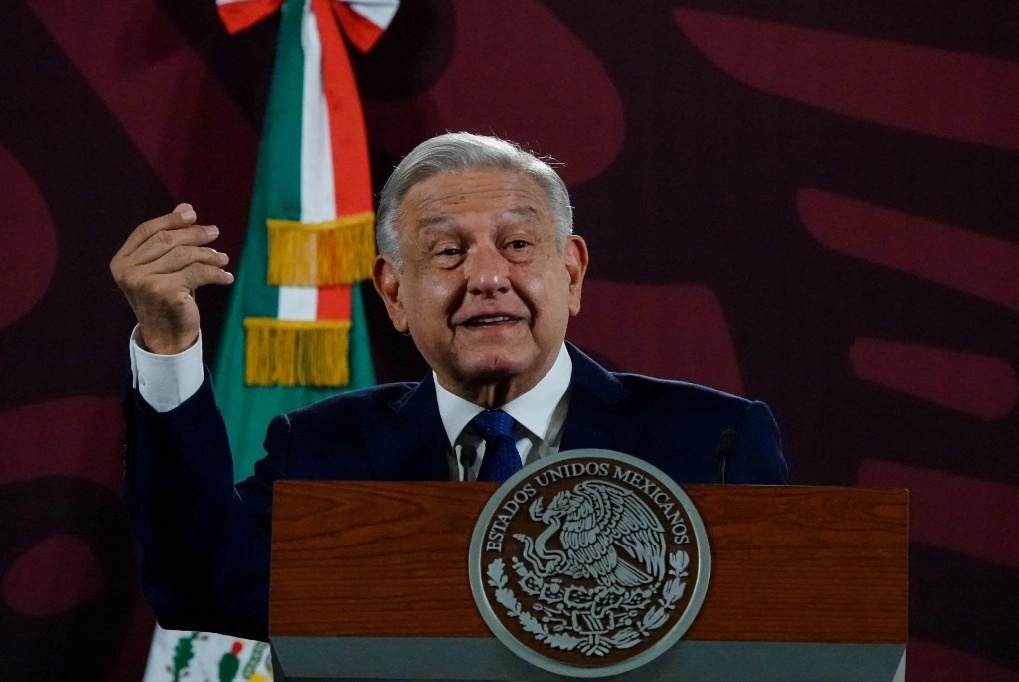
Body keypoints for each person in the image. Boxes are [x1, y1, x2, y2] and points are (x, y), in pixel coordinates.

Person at [111, 133, 787, 641]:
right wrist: (169, 346)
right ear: (393, 292)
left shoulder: (714, 444)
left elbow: (781, 641)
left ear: (571, 273)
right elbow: (198, 585)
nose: (487, 277)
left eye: (517, 244)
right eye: (448, 251)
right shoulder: (322, 449)